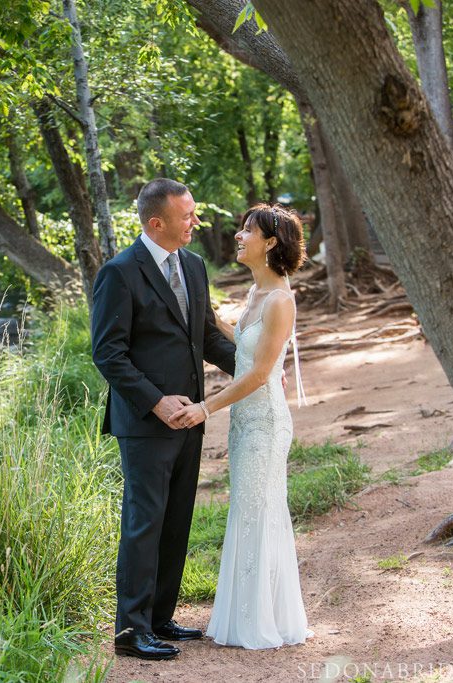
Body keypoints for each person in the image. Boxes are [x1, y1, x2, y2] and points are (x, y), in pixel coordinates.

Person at [91, 178, 236, 660]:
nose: (196, 221)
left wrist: (256, 369)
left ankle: (160, 618)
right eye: (187, 215)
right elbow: (108, 354)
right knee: (144, 523)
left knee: (176, 521)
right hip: (145, 423)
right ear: (157, 222)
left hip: (191, 417)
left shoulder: (193, 266)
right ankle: (131, 632)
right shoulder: (119, 273)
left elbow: (206, 340)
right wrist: (156, 402)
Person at [170, 203, 314, 649]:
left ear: (270, 243)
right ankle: (245, 614)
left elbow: (256, 374)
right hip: (245, 423)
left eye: (247, 231)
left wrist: (205, 408)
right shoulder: (255, 296)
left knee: (259, 511)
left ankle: (259, 621)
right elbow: (244, 344)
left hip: (266, 423)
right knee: (248, 511)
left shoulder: (281, 301)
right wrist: (206, 313)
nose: (238, 236)